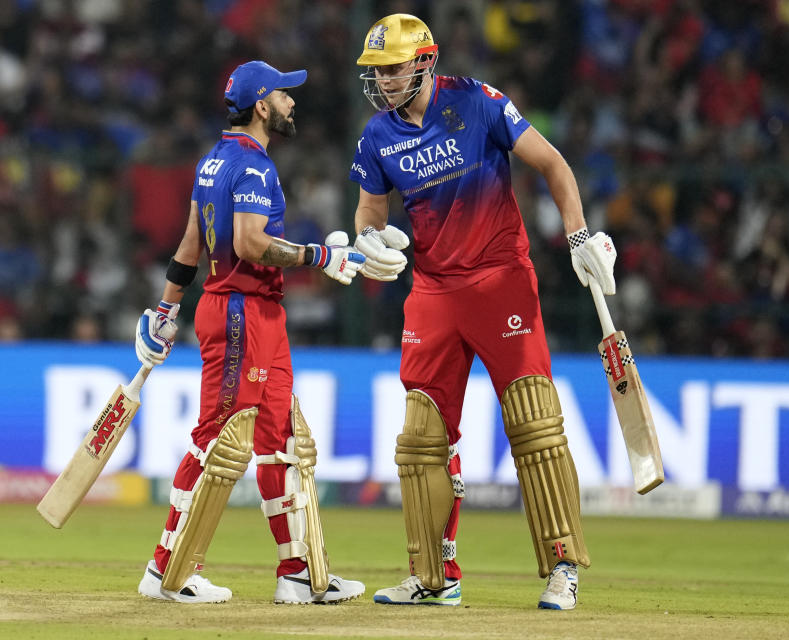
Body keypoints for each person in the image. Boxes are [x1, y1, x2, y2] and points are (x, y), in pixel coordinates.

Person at [348, 15, 617, 610]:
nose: (384, 81)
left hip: (501, 282)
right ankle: (432, 576)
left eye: (392, 68)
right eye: (377, 71)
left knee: (535, 426)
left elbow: (554, 165)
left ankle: (563, 566)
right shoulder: (376, 136)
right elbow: (369, 215)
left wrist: (578, 238)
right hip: (434, 292)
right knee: (420, 441)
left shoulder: (478, 101)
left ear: (424, 61)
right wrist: (368, 242)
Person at [134, 60, 367, 605]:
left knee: (283, 443)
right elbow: (250, 244)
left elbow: (191, 245)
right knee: (217, 440)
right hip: (241, 311)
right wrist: (320, 255)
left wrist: (166, 310)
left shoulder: (213, 161)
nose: (292, 103)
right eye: (285, 95)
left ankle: (297, 573)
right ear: (262, 105)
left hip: (253, 312)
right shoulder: (255, 168)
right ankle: (166, 571)